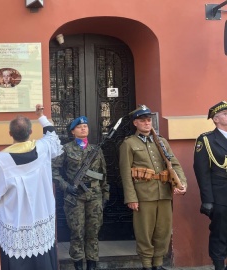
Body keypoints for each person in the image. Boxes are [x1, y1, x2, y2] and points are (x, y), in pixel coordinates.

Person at [0, 104, 63, 270]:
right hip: (41, 216)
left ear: (10, 134)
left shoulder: (0, 160)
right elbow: (52, 136)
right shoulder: (43, 148)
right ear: (31, 132)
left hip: (16, 220)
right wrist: (41, 116)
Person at [119, 105, 187, 270]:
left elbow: (175, 164)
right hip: (143, 194)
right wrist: (131, 198)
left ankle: (158, 263)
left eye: (148, 120)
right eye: (142, 121)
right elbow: (126, 174)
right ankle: (147, 264)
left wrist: (182, 183)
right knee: (145, 232)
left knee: (162, 232)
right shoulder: (129, 143)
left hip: (163, 192)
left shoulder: (161, 141)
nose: (147, 123)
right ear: (135, 123)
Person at [52, 116, 109, 270]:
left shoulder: (96, 149)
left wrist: (105, 195)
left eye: (85, 126)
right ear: (73, 131)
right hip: (75, 196)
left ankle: (92, 265)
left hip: (94, 195)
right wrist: (66, 186)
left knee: (93, 233)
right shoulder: (66, 149)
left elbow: (103, 174)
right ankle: (78, 265)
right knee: (77, 233)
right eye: (79, 127)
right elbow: (54, 172)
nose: (84, 128)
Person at [193, 100, 227, 270]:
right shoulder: (206, 139)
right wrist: (207, 200)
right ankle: (219, 266)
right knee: (220, 234)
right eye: (226, 114)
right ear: (216, 119)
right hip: (220, 195)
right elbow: (202, 172)